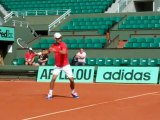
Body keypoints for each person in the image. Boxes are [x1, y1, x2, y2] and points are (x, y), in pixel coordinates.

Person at [47, 32, 79, 99]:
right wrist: (39, 53)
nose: (60, 39)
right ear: (55, 39)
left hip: (65, 65)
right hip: (57, 66)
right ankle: (50, 93)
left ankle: (73, 92)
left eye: (60, 38)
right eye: (58, 38)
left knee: (71, 80)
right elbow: (48, 51)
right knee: (53, 79)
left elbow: (64, 52)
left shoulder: (63, 44)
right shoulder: (53, 45)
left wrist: (56, 50)